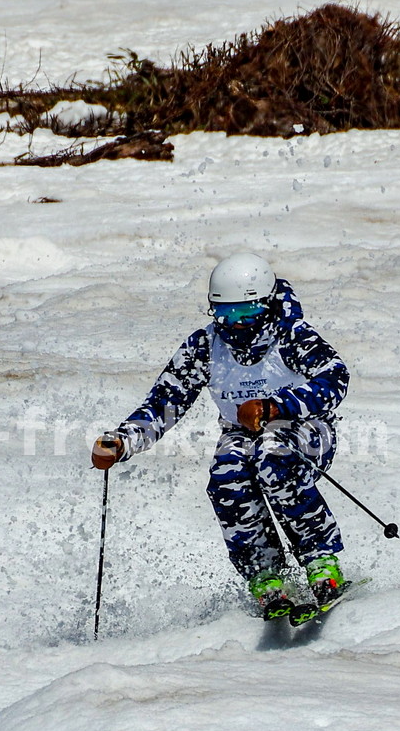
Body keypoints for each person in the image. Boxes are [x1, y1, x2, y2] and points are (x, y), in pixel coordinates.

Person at [91, 253, 350, 625]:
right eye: (225, 314)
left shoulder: (292, 336)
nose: (235, 325)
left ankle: (321, 562)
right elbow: (166, 401)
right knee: (226, 477)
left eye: (244, 313)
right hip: (240, 434)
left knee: (272, 459)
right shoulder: (204, 346)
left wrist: (276, 407)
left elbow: (335, 377)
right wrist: (123, 441)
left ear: (265, 304)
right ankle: (266, 574)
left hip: (305, 430)